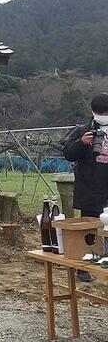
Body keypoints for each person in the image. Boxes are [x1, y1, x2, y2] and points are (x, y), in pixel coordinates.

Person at [63, 92, 108, 282]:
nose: (103, 116)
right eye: (99, 113)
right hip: (90, 187)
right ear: (92, 111)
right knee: (89, 228)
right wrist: (82, 143)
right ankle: (84, 266)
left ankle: (104, 260)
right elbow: (68, 153)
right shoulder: (83, 130)